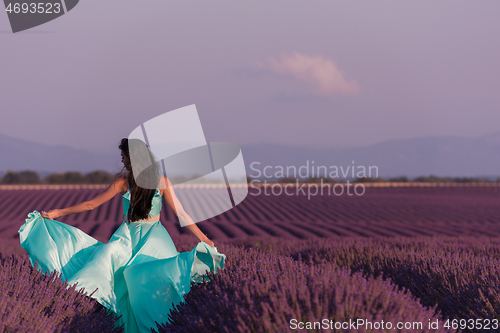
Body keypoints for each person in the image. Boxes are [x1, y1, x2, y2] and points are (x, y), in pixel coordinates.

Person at [18, 138, 226, 333]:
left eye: (124, 157)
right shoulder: (158, 182)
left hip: (130, 237)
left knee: (124, 282)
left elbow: (91, 205)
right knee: (150, 283)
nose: (122, 160)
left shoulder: (124, 183)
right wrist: (202, 238)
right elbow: (182, 213)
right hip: (154, 237)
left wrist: (59, 212)